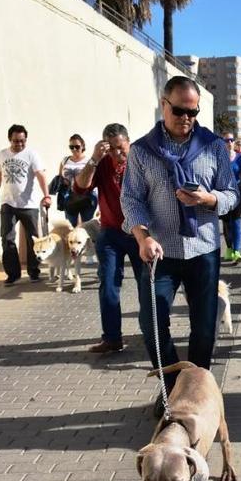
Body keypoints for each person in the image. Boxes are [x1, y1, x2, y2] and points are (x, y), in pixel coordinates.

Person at [120, 76, 239, 417]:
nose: (186, 117)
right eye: (179, 110)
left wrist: (210, 198)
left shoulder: (214, 145)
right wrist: (143, 237)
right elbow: (131, 199)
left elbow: (232, 195)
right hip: (161, 251)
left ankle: (197, 389)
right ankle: (172, 386)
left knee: (203, 325)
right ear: (163, 105)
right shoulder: (142, 151)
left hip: (203, 249)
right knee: (152, 322)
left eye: (193, 111)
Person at [74, 123, 143, 353]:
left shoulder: (141, 160)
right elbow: (81, 187)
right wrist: (94, 158)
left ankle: (153, 332)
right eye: (111, 148)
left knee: (148, 285)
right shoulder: (101, 163)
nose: (117, 153)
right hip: (111, 232)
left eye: (121, 147)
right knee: (109, 285)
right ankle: (112, 338)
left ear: (129, 142)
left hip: (139, 232)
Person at [0, 124, 51, 284]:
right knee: (7, 238)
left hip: (29, 204)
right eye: (16, 141)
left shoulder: (31, 154)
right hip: (8, 203)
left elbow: (40, 175)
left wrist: (46, 195)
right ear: (10, 140)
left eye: (22, 141)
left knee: (33, 240)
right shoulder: (2, 154)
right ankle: (13, 274)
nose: (19, 144)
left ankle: (33, 271)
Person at [221, 135, 241, 263]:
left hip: (238, 193)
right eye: (226, 140)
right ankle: (229, 249)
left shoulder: (240, 158)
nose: (230, 142)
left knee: (236, 222)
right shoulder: (218, 157)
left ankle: (237, 251)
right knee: (227, 224)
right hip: (223, 194)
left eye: (232, 140)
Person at [59, 134, 97, 226]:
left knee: (88, 225)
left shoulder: (89, 161)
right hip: (70, 197)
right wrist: (64, 181)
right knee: (70, 225)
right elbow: (60, 176)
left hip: (87, 196)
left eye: (77, 146)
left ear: (83, 146)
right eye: (71, 147)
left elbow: (94, 178)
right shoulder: (65, 160)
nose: (74, 149)